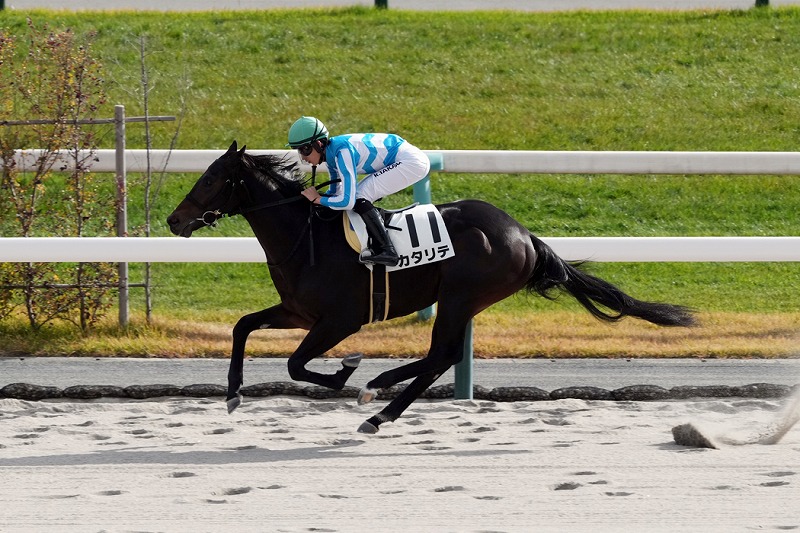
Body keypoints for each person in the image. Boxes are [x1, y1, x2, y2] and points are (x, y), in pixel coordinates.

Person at [287, 116, 431, 267]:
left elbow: (347, 201)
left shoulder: (342, 152)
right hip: (404, 158)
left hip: (411, 162)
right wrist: (313, 200)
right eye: (299, 151)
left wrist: (317, 199)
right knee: (359, 195)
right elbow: (335, 193)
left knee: (359, 196)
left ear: (318, 144)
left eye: (304, 150)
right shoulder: (331, 156)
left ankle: (388, 251)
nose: (303, 157)